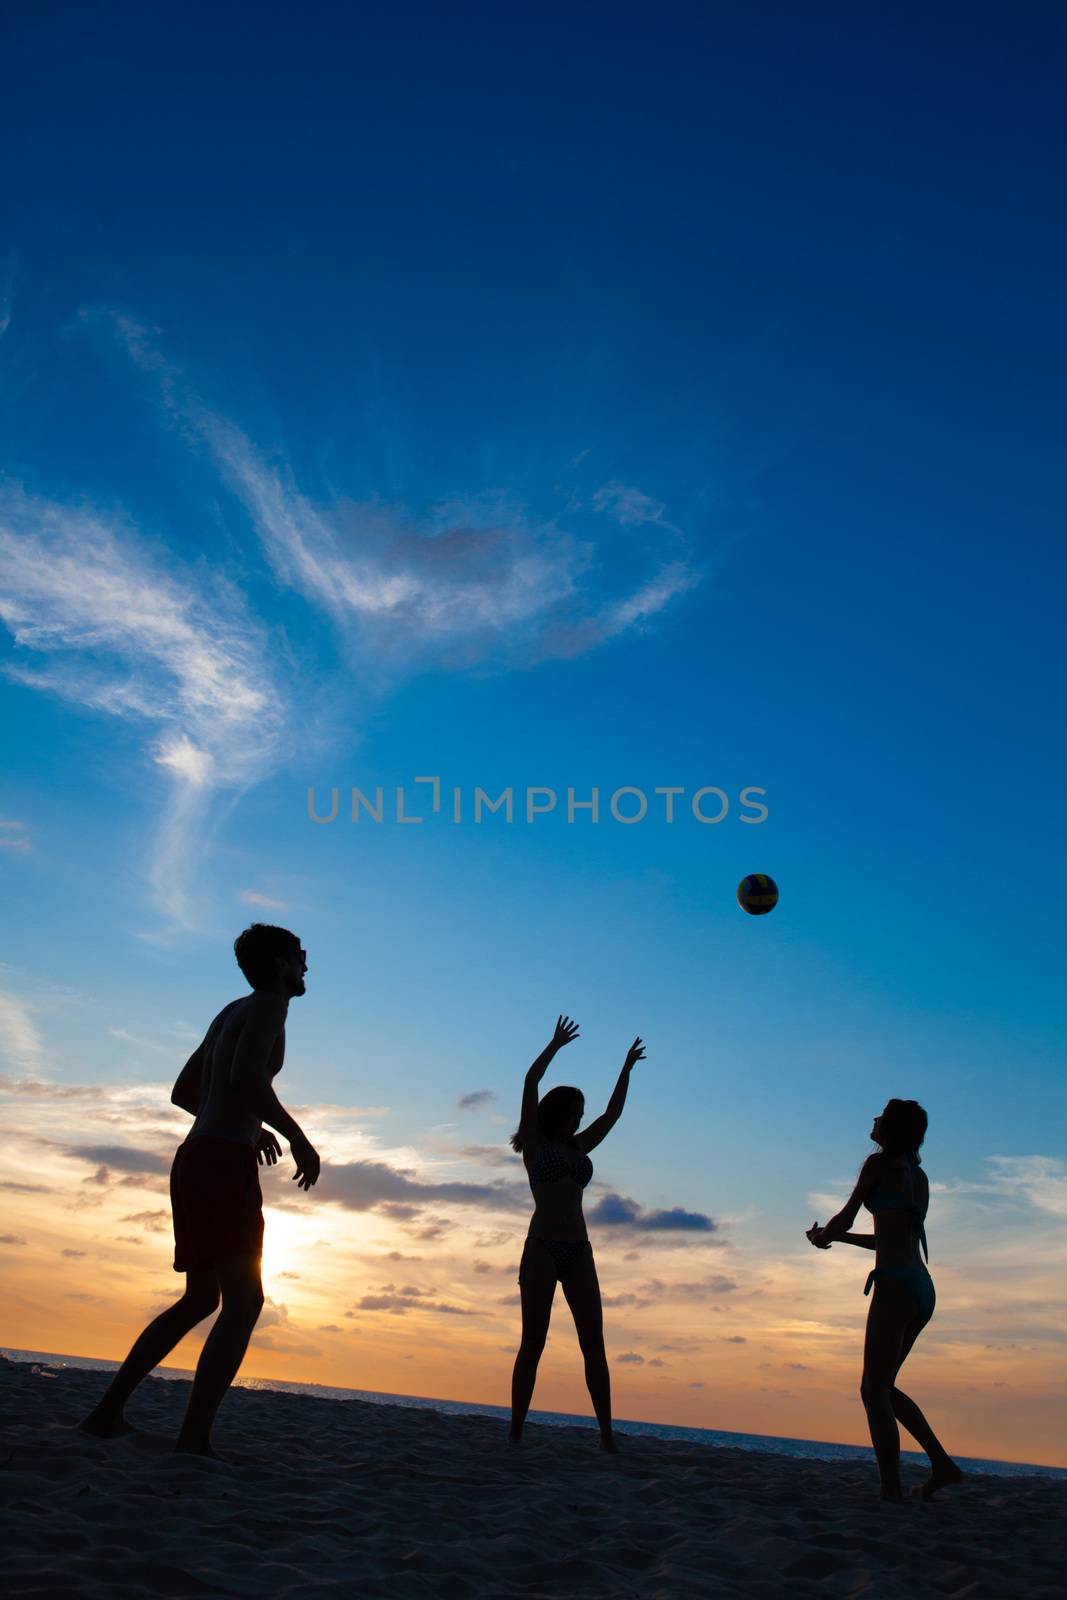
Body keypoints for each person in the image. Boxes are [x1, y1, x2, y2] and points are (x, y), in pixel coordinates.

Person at [80, 923, 321, 1457]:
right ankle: (193, 1439)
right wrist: (296, 1137)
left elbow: (185, 1091)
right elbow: (245, 1080)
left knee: (200, 1299)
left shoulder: (230, 1010)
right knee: (244, 1301)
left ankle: (105, 1413)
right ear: (281, 962)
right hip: (219, 1162)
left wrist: (252, 1127)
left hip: (196, 1156)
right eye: (301, 956)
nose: (307, 964)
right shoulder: (268, 1007)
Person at [806, 1098, 961, 1502]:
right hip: (922, 1287)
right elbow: (887, 1239)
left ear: (890, 1128)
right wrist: (837, 1239)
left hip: (894, 1285)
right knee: (884, 1386)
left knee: (872, 1391)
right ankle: (942, 1464)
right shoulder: (920, 1177)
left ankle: (891, 1490)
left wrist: (826, 1237)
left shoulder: (877, 1165)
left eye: (880, 1116)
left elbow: (846, 1215)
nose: (873, 1119)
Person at [508, 1015, 646, 1453]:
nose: (578, 1119)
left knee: (594, 1344)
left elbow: (613, 1114)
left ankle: (606, 1434)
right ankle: (515, 1430)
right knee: (534, 1342)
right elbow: (530, 1080)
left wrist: (625, 1069)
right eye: (573, 1113)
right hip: (542, 1246)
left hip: (579, 1249)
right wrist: (554, 1045)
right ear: (558, 1112)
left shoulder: (578, 1147)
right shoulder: (534, 1142)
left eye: (580, 1116)